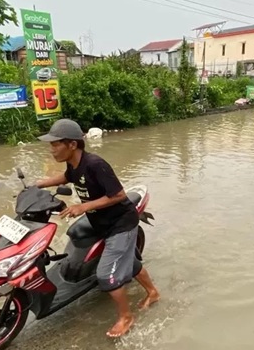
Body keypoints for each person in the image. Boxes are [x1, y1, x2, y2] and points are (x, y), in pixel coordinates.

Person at [33, 119, 160, 338]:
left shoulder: (95, 164)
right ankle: (153, 292)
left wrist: (83, 206)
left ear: (72, 145)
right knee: (127, 261)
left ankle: (126, 317)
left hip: (120, 224)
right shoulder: (74, 164)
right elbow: (68, 177)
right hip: (100, 222)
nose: (52, 149)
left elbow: (118, 195)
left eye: (56, 144)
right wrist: (40, 184)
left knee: (105, 276)